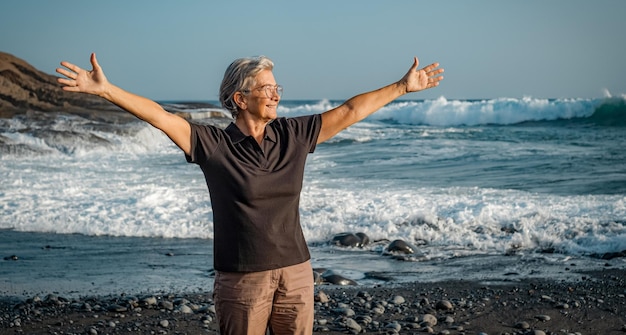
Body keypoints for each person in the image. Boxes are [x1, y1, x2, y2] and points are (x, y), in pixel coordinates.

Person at [56, 53, 444, 334]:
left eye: (277, 88)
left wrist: (403, 86)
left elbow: (350, 111)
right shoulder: (212, 144)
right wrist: (106, 91)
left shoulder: (293, 135)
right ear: (240, 99)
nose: (276, 95)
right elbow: (160, 116)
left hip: (296, 271)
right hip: (242, 278)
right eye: (267, 89)